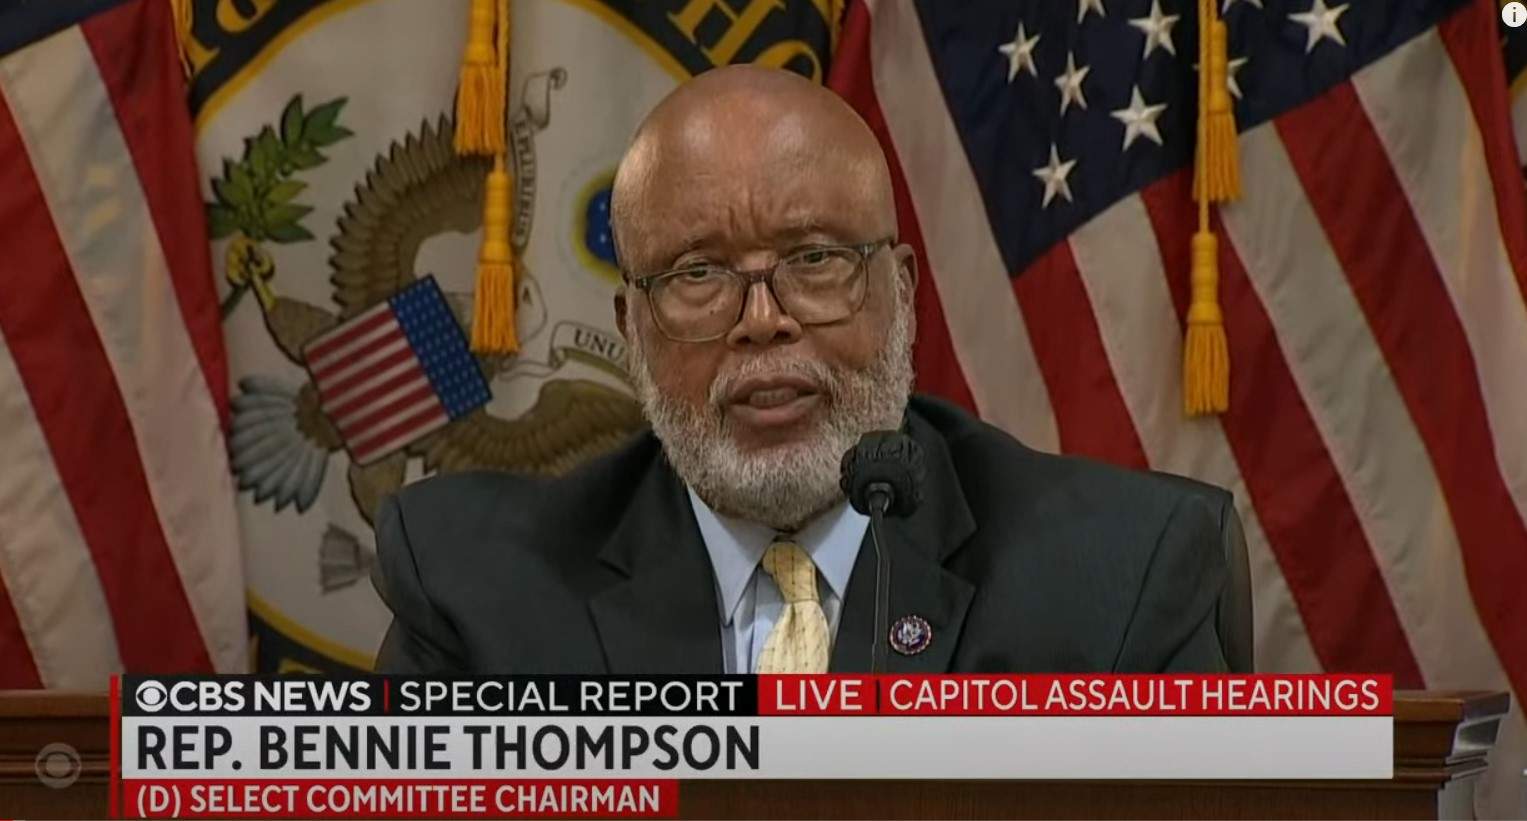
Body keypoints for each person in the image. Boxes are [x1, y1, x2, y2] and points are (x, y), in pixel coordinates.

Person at [373, 65, 1248, 675]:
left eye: (816, 259)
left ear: (900, 294)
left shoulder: (1122, 576)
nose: (762, 321)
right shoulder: (478, 591)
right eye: (697, 274)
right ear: (631, 329)